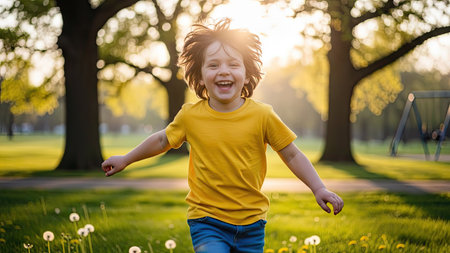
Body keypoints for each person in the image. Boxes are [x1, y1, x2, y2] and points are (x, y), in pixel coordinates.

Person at [102, 18, 343, 253]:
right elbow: (163, 140)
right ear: (200, 75)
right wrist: (127, 158)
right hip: (207, 220)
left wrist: (318, 188)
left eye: (233, 64)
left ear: (247, 74)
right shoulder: (190, 116)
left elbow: (291, 154)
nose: (223, 71)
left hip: (252, 223)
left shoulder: (263, 115)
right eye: (214, 65)